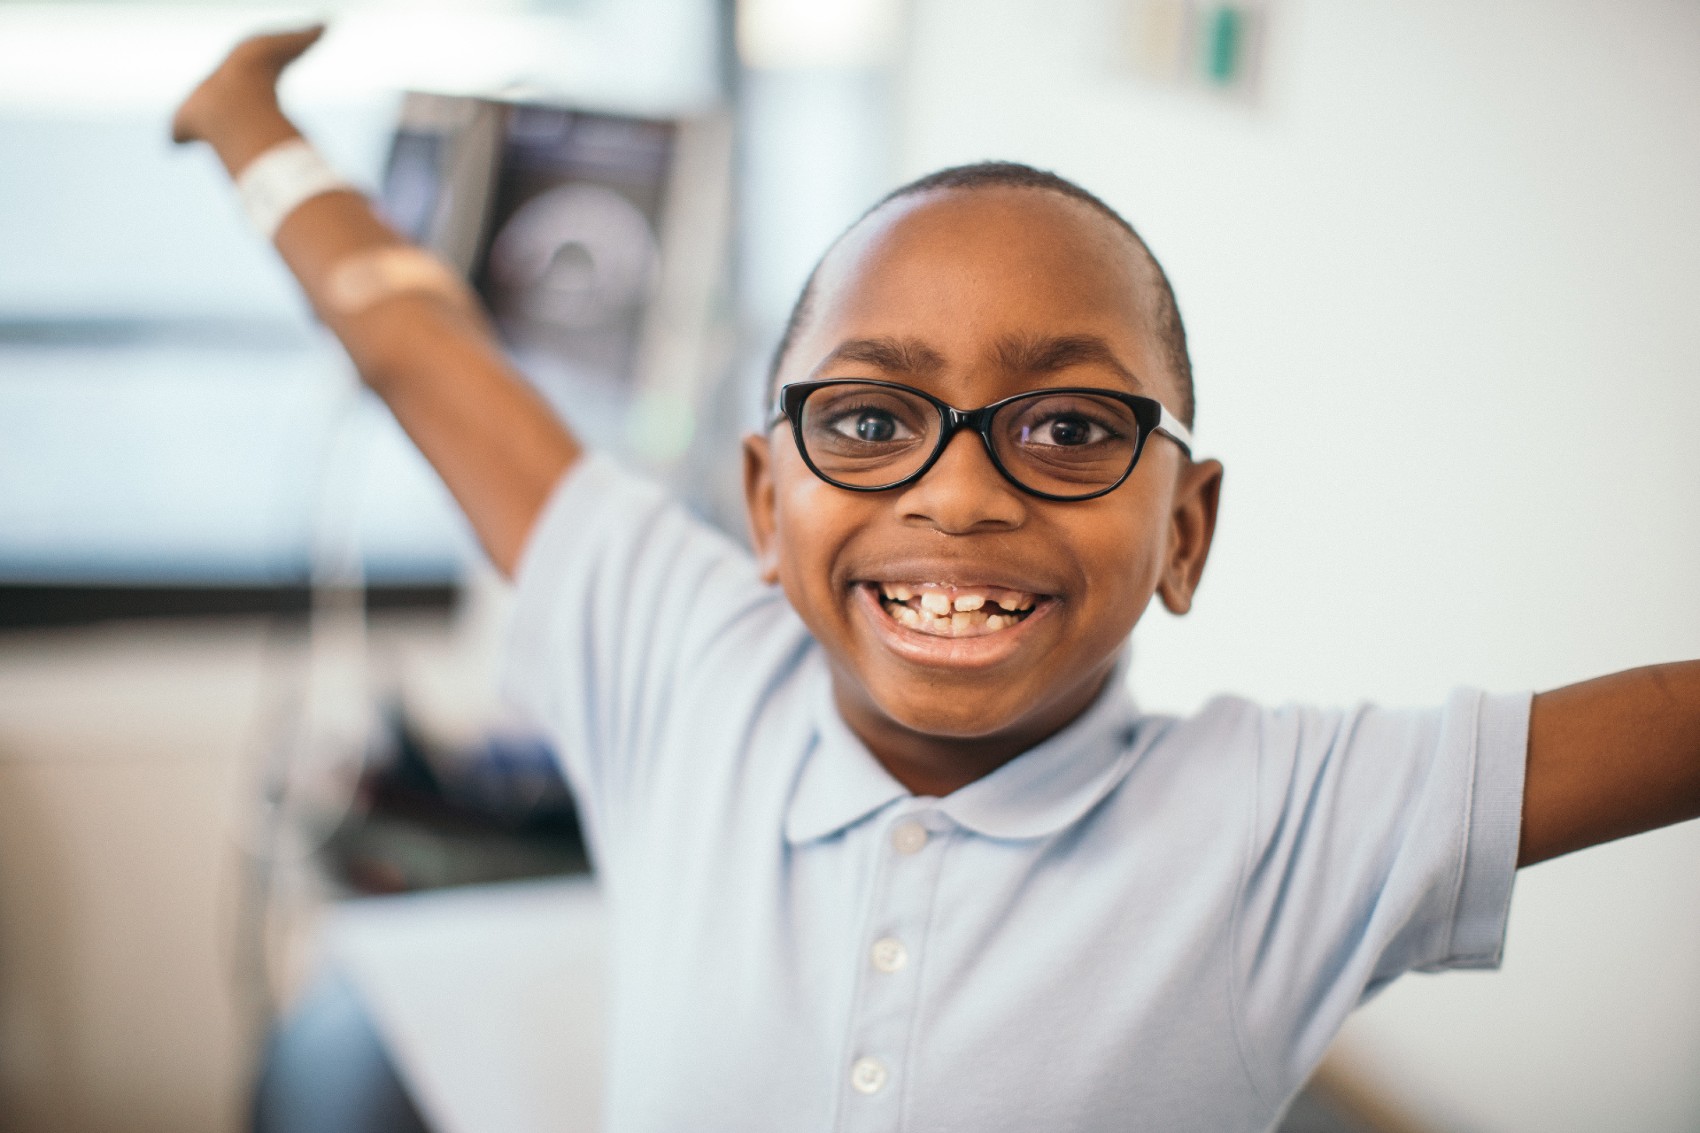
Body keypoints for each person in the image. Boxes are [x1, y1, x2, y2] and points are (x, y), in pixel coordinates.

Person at [174, 27, 1699, 1133]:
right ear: (765, 504)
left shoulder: (1287, 821)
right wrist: (252, 124)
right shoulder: (680, 663)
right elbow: (415, 343)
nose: (958, 491)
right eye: (867, 418)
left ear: (1186, 531)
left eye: (1067, 426)